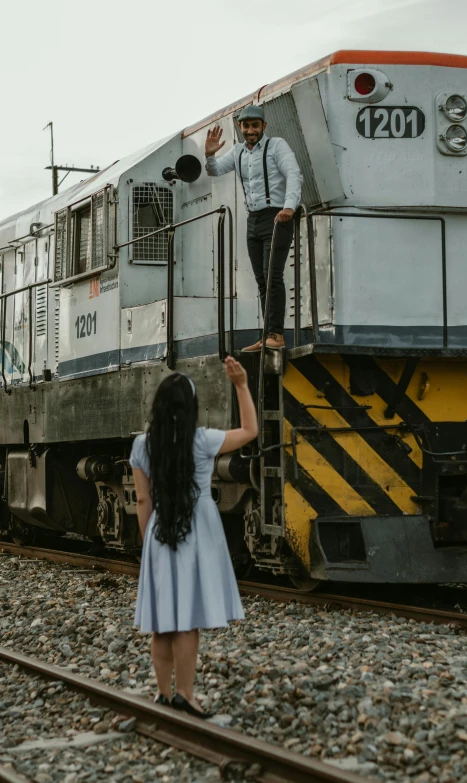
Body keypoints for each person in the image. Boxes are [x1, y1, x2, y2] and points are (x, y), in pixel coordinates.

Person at [130, 356, 258, 717]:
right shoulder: (202, 441)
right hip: (196, 531)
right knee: (187, 619)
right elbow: (249, 431)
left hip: (160, 531)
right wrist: (242, 385)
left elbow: (143, 499)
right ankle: (185, 694)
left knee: (162, 621)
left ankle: (161, 692)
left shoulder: (142, 445)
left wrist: (148, 543)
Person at [205, 105, 303, 352]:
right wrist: (209, 155)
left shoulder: (277, 146)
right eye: (246, 126)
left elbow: (294, 173)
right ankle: (268, 334)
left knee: (272, 276)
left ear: (263, 127)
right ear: (240, 127)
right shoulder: (238, 152)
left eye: (255, 126)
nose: (250, 131)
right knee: (261, 279)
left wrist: (289, 206)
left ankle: (276, 335)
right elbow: (215, 170)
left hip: (277, 216)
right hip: (254, 220)